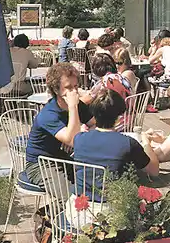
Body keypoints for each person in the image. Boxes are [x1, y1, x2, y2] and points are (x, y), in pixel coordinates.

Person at [65, 89, 159, 226]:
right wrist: (146, 143)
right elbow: (154, 170)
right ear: (119, 116)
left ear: (94, 114)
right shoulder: (127, 143)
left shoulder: (79, 139)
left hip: (77, 212)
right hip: (111, 216)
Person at [25, 63, 95, 190]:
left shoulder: (79, 106)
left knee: (93, 182)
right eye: (68, 88)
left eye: (75, 86)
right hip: (40, 163)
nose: (73, 92)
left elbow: (95, 123)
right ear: (56, 90)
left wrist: (87, 129)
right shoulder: (48, 114)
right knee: (67, 198)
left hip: (61, 156)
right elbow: (72, 140)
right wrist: (73, 107)